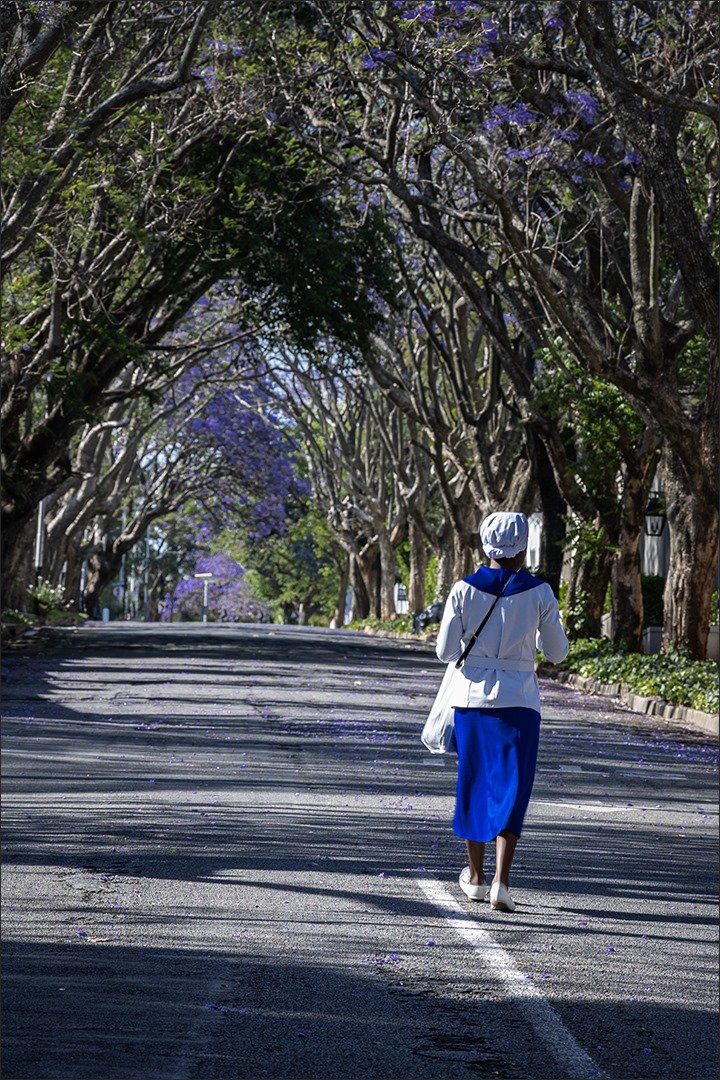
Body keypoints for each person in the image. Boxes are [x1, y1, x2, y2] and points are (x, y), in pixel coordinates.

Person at [435, 511, 569, 912]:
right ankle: (501, 883)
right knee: (513, 788)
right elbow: (557, 652)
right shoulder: (540, 592)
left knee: (474, 782)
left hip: (472, 701)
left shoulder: (463, 589)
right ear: (524, 547)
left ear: (485, 544)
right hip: (520, 702)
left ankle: (474, 878)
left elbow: (444, 651)